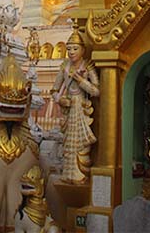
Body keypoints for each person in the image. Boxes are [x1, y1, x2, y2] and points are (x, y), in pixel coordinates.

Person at [52, 28, 100, 183]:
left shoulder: (88, 66)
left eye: (75, 48)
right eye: (69, 49)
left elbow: (96, 91)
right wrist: (60, 100)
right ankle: (68, 174)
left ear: (83, 50)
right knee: (68, 143)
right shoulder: (64, 66)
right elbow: (54, 90)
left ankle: (79, 175)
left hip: (81, 106)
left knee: (80, 144)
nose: (71, 52)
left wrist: (81, 81)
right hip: (69, 107)